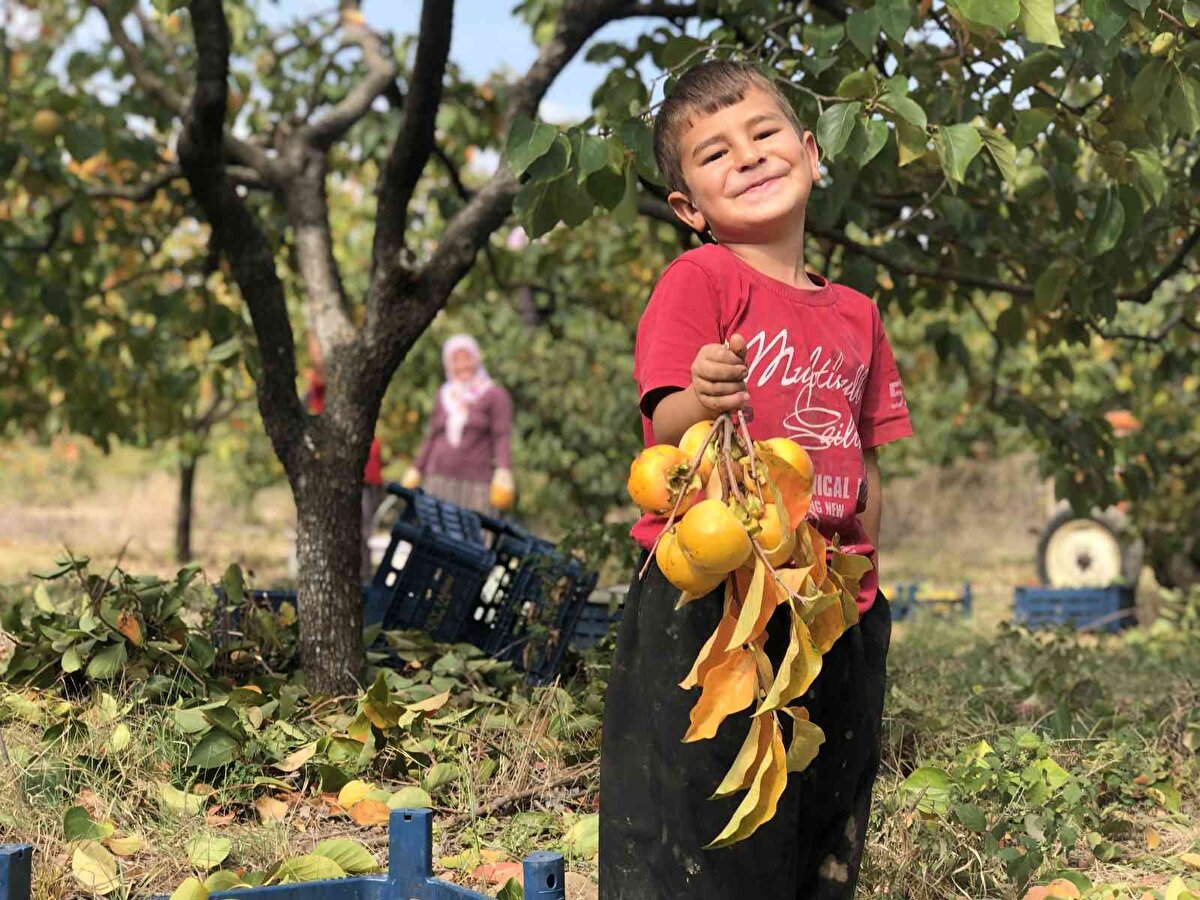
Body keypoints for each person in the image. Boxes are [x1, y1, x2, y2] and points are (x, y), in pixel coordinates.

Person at [599, 61, 913, 899]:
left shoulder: (857, 313)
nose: (747, 155)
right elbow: (665, 419)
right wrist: (700, 393)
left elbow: (866, 455)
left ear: (813, 155)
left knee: (821, 801)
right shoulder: (701, 279)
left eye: (766, 133)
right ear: (688, 209)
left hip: (824, 597)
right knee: (702, 811)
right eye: (714, 153)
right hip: (713, 594)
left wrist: (868, 578)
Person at [402, 334, 514, 517]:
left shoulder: (494, 395)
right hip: (438, 477)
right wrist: (416, 468)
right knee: (435, 533)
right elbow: (432, 435)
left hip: (476, 482)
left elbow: (501, 436)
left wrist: (504, 470)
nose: (462, 366)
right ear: (448, 365)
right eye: (456, 360)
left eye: (466, 359)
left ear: (476, 359)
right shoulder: (444, 395)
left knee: (473, 537)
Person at [305, 334, 384, 581]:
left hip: (363, 472)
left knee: (356, 535)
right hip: (337, 469)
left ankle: (360, 588)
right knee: (337, 534)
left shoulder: (348, 382)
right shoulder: (320, 389)